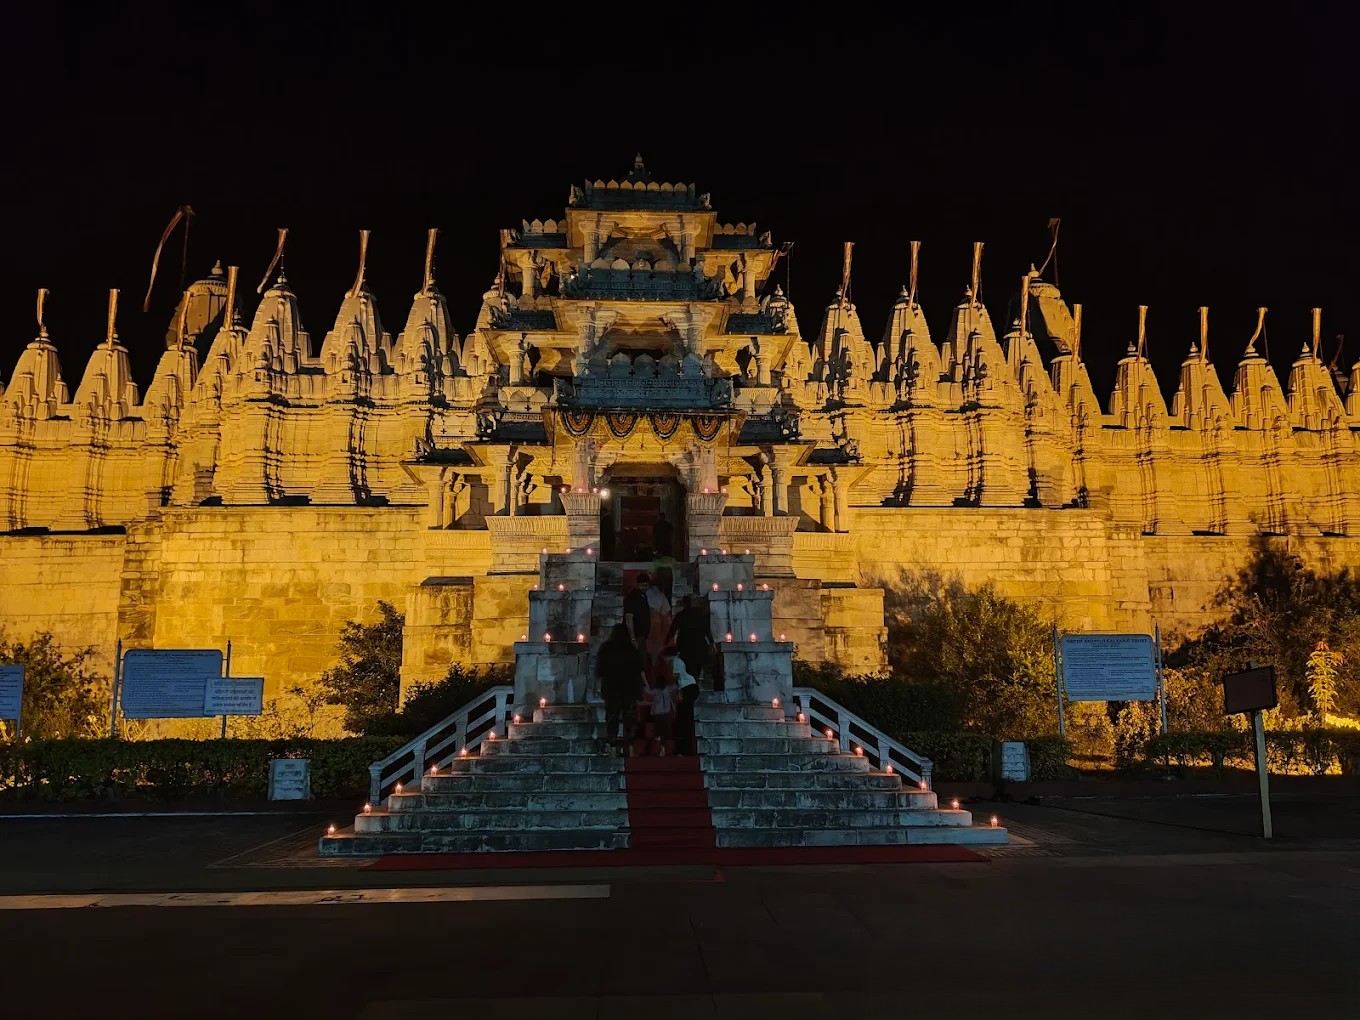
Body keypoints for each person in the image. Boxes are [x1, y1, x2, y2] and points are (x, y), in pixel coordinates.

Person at [596, 623, 644, 755]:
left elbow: (600, 669)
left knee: (612, 715)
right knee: (629, 716)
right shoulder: (631, 650)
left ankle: (612, 744)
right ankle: (630, 746)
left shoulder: (606, 648)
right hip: (629, 687)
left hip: (611, 687)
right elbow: (639, 668)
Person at [666, 595, 713, 685]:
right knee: (697, 664)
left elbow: (673, 629)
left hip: (686, 644)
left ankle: (691, 682)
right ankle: (695, 681)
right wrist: (711, 642)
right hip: (698, 644)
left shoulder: (681, 615)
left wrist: (666, 640)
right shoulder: (699, 615)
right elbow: (707, 630)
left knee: (689, 665)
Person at [647, 653, 680, 757]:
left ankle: (661, 748)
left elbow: (647, 690)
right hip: (665, 713)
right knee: (665, 732)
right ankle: (663, 749)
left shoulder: (656, 692)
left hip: (657, 713)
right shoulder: (667, 690)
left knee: (659, 731)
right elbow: (676, 686)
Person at [643, 574, 672, 678]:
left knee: (644, 643)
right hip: (656, 621)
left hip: (644, 620)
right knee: (655, 644)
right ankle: (654, 663)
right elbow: (666, 611)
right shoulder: (661, 595)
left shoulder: (645, 593)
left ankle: (645, 663)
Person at [672, 649, 700, 756]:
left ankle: (686, 750)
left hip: (686, 688)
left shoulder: (676, 661)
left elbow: (677, 677)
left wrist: (678, 691)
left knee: (685, 720)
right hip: (691, 687)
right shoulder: (684, 660)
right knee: (686, 719)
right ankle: (687, 749)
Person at [623, 572, 651, 657]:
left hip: (641, 636)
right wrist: (633, 639)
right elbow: (629, 618)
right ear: (637, 584)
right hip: (636, 636)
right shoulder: (632, 598)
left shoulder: (643, 596)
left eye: (646, 585)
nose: (644, 587)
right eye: (642, 585)